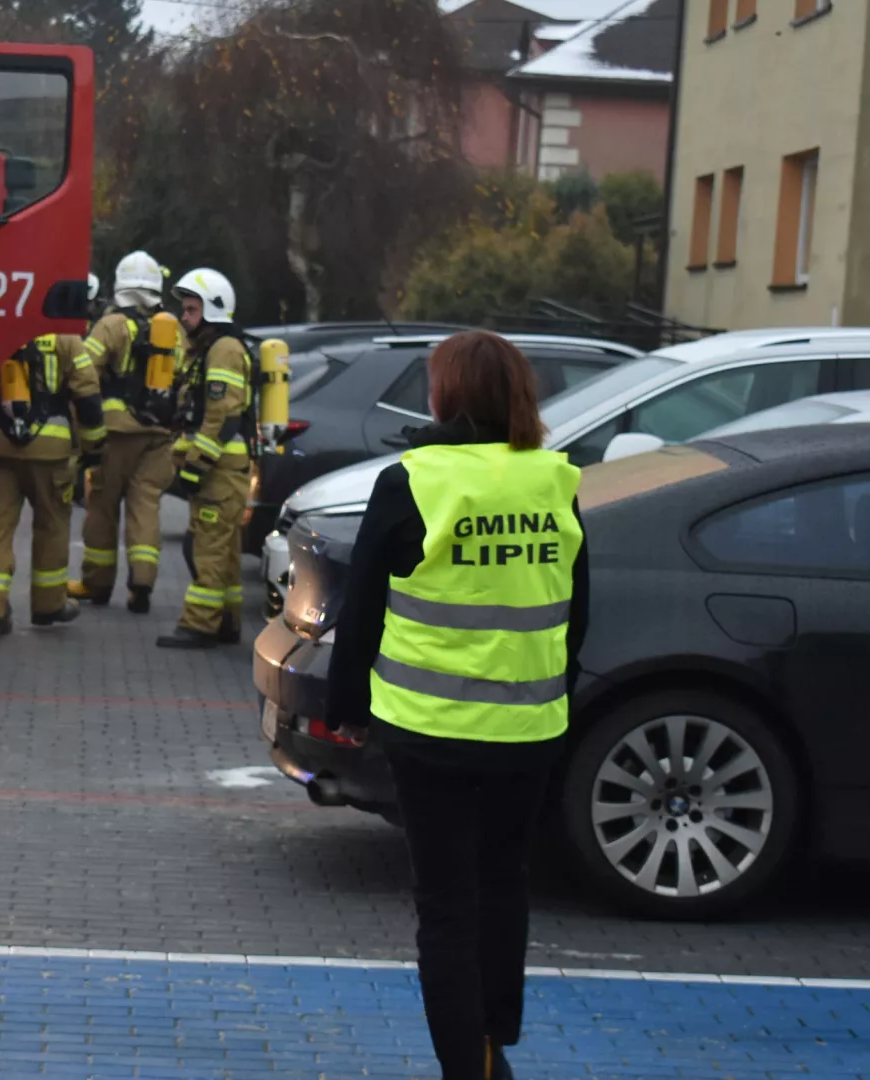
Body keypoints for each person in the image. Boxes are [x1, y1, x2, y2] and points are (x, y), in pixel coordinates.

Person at [322, 331, 589, 1080]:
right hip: (529, 729)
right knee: (505, 883)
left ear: (447, 396)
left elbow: (363, 606)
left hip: (428, 729)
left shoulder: (415, 481)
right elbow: (576, 609)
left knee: (445, 903)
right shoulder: (553, 479)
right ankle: (493, 1038)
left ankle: (467, 1067)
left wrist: (345, 706)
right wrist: (551, 693)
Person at [0, 333, 106, 635]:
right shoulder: (66, 339)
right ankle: (48, 605)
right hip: (51, 452)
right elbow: (87, 393)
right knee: (52, 526)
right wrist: (93, 447)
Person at [70, 251, 176, 614]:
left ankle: (96, 583)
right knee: (145, 507)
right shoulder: (171, 330)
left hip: (115, 435)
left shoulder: (112, 325)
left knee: (102, 506)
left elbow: (84, 370)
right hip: (160, 436)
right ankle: (142, 583)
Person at [157, 268, 252, 649]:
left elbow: (222, 416)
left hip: (219, 469)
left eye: (192, 310)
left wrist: (196, 465)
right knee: (224, 550)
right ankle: (226, 623)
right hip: (222, 468)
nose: (184, 317)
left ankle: (199, 625)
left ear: (213, 310)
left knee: (206, 548)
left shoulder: (224, 350)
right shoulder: (210, 349)